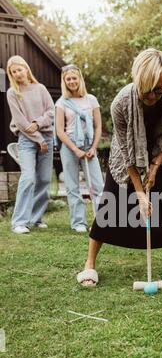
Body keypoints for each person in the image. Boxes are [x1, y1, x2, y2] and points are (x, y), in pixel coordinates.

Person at [77, 48, 162, 287]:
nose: (153, 97)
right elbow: (127, 152)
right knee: (110, 205)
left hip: (160, 150)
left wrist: (155, 166)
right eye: (147, 91)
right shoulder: (121, 103)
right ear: (138, 80)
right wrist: (139, 192)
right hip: (126, 152)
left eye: (159, 90)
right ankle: (89, 265)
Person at [6, 55, 54, 234]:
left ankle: (35, 218)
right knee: (28, 178)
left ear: (26, 69)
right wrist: (38, 138)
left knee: (43, 179)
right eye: (14, 72)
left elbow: (51, 111)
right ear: (12, 75)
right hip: (27, 140)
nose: (18, 73)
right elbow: (19, 121)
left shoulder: (40, 88)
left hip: (47, 137)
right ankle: (19, 221)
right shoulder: (13, 93)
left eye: (20, 69)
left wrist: (38, 123)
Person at [55, 65, 104, 232]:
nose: (71, 81)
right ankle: (79, 223)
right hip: (69, 147)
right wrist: (75, 149)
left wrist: (94, 147)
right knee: (72, 186)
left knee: (97, 184)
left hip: (89, 145)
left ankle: (101, 221)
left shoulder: (91, 100)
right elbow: (60, 131)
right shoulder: (62, 102)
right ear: (64, 81)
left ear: (80, 79)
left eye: (74, 78)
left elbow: (98, 127)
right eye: (68, 79)